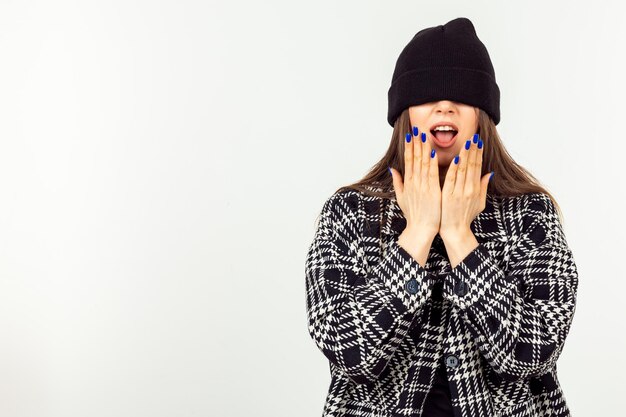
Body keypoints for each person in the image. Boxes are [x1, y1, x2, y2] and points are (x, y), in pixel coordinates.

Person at [304, 17, 579, 417]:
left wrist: (458, 235)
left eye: (461, 95)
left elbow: (535, 352)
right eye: (427, 94)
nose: (444, 105)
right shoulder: (350, 211)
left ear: (482, 116)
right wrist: (417, 233)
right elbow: (350, 353)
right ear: (404, 115)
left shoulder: (530, 212)